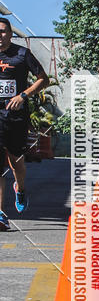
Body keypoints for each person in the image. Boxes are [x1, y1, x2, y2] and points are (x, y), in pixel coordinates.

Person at [0, 17, 50, 230]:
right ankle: (1, 213)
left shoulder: (22, 54)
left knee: (16, 163)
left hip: (16, 116)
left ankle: (20, 188)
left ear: (10, 34)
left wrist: (23, 95)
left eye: (3, 31)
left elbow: (43, 79)